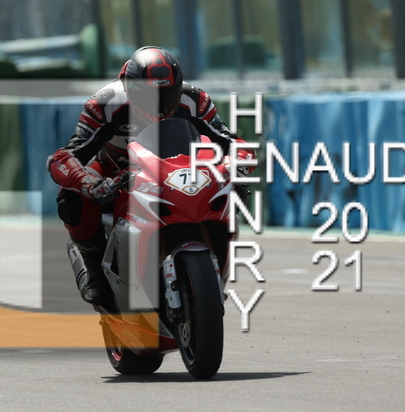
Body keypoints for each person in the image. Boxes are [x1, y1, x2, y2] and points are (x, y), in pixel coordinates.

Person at [47, 46, 256, 307]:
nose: (160, 105)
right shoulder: (105, 103)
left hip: (180, 169)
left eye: (168, 95)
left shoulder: (195, 100)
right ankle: (94, 268)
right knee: (72, 199)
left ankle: (215, 262)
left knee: (236, 186)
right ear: (131, 89)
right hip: (117, 171)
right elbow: (64, 157)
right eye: (150, 96)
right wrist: (88, 183)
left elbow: (231, 141)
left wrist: (239, 162)